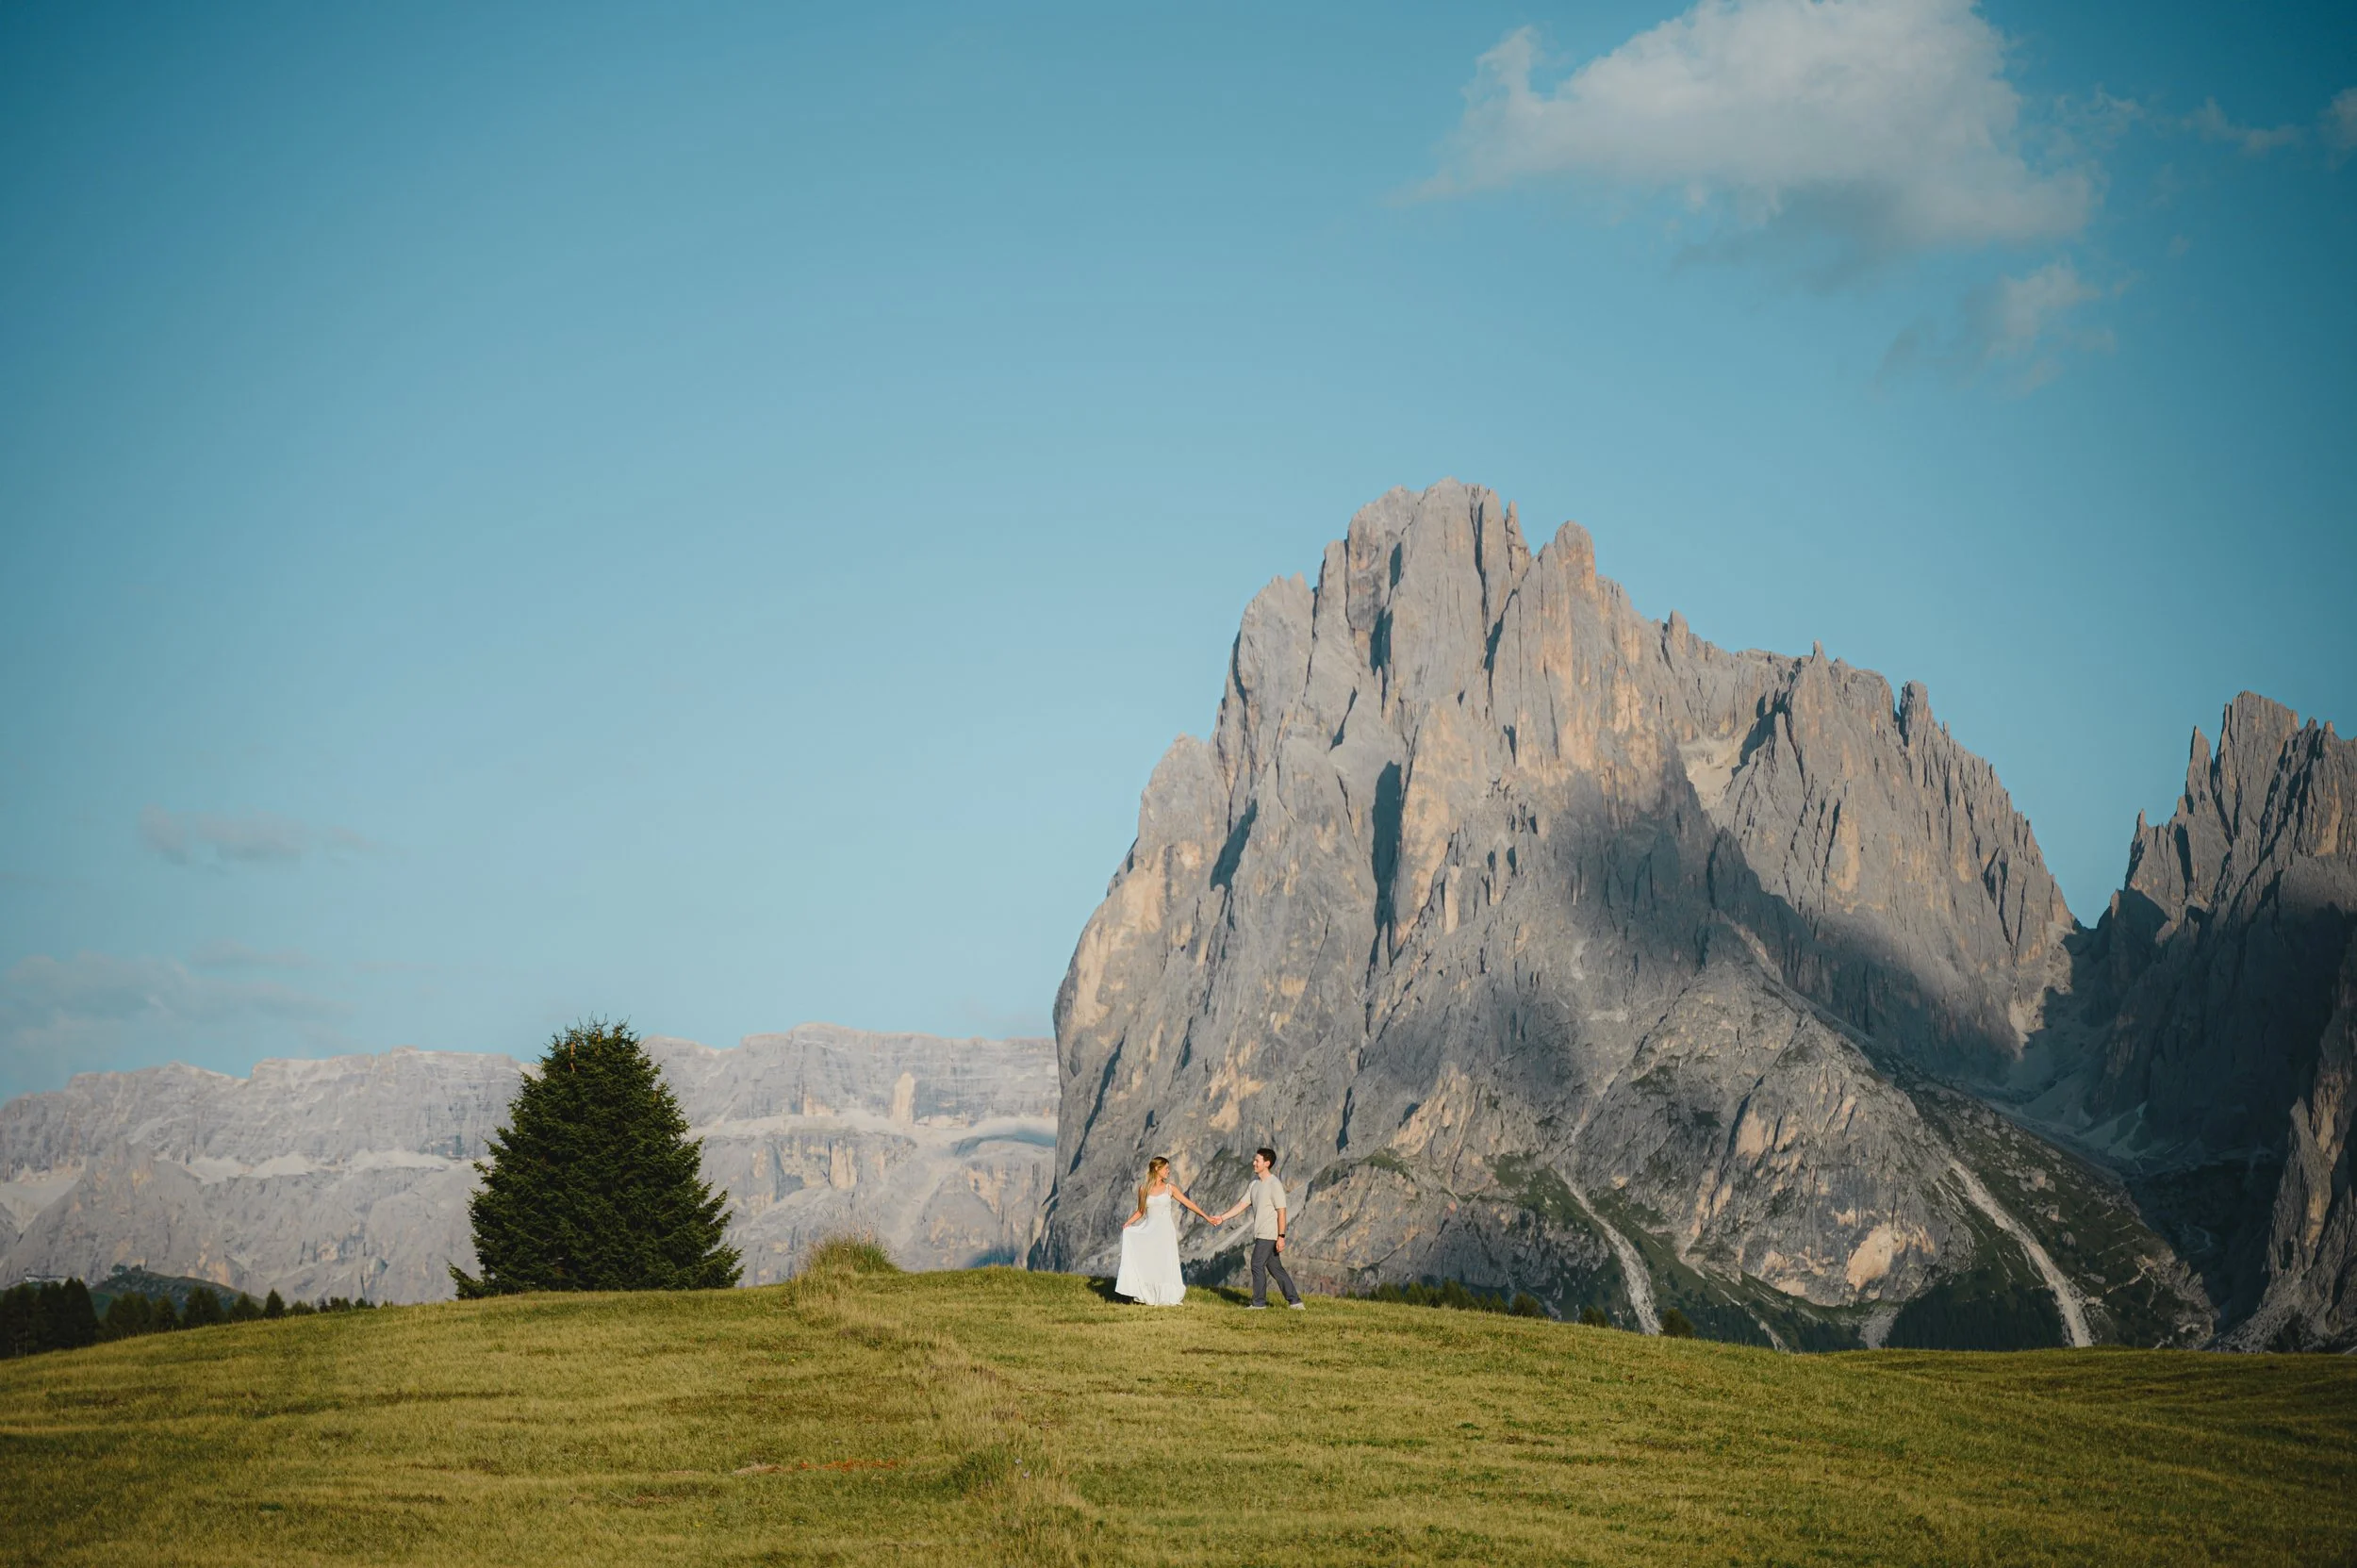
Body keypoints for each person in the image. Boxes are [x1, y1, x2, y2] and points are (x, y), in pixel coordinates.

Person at [1212, 1147, 1303, 1310]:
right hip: (1260, 1232)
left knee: (1256, 1264)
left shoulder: (1274, 1184)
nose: (1254, 1163)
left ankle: (1259, 1303)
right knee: (1275, 1268)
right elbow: (1241, 1205)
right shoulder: (1254, 1185)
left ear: (1267, 1163)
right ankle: (1295, 1302)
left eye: (1257, 1161)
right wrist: (1222, 1218)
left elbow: (1282, 1212)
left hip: (1269, 1233)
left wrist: (1281, 1236)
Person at [1114, 1156, 1211, 1306]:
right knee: (1151, 1263)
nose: (1168, 1171)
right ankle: (1149, 1295)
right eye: (1166, 1168)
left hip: (1165, 1233)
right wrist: (1128, 1223)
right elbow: (1140, 1211)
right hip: (1150, 1231)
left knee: (1164, 1264)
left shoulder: (1170, 1188)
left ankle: (1165, 1297)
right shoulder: (1143, 1189)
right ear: (1157, 1169)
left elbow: (1188, 1203)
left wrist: (1206, 1217)